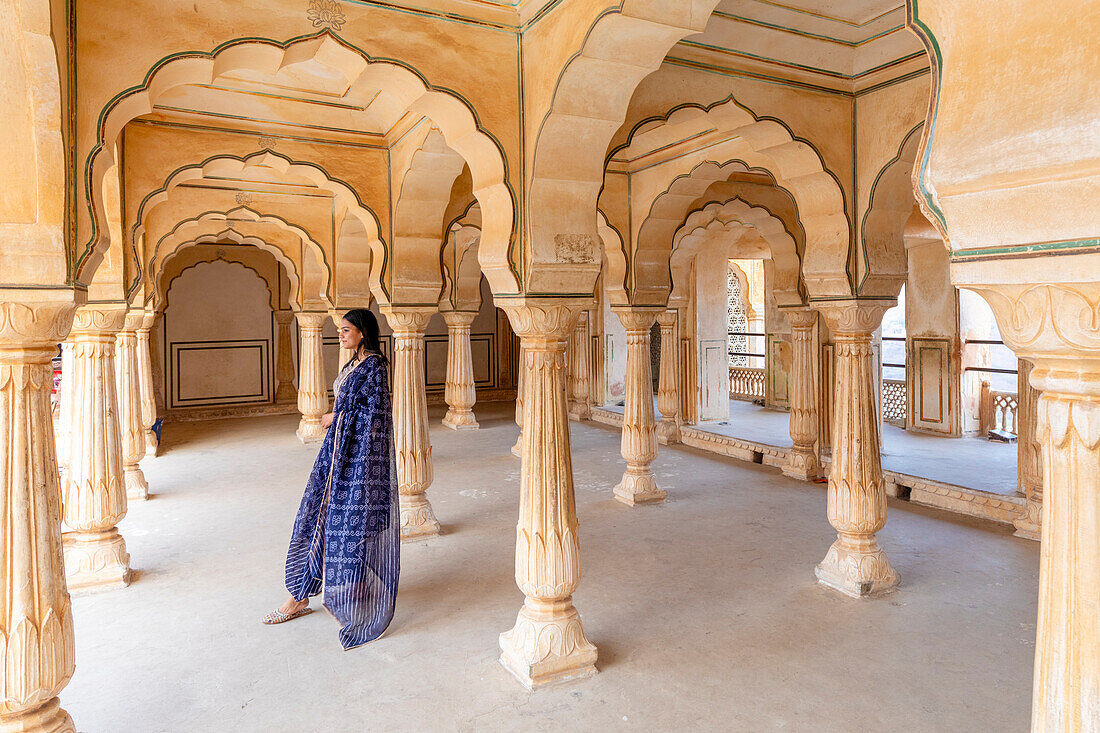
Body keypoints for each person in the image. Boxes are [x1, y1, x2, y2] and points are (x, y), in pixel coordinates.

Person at [262, 309, 399, 649]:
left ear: (363, 333)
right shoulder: (353, 364)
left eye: (346, 329)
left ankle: (321, 595)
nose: (341, 335)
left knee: (348, 526)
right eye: (340, 330)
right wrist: (337, 419)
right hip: (334, 455)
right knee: (314, 518)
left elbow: (376, 416)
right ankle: (301, 592)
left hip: (358, 461)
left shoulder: (376, 368)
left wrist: (336, 417)